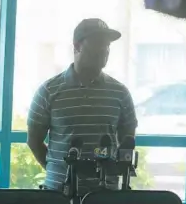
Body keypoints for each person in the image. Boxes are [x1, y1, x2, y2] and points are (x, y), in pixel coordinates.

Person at [26, 18, 138, 196]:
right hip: (59, 194)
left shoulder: (120, 92)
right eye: (97, 43)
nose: (104, 50)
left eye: (107, 45)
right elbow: (34, 140)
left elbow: (127, 137)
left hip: (106, 196)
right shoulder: (48, 91)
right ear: (77, 46)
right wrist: (60, 171)